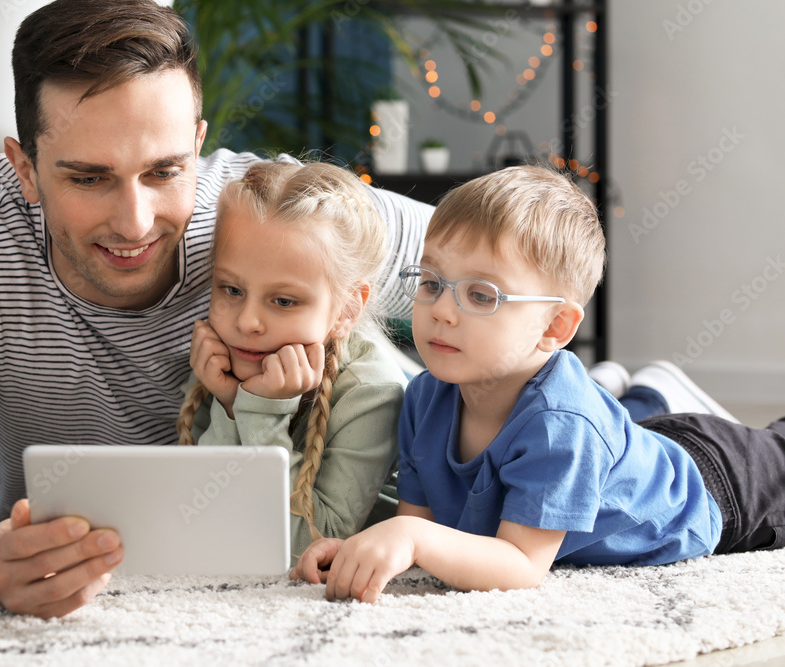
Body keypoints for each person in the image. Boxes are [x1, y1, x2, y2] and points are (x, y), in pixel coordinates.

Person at [0, 0, 431, 619]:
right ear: (25, 169)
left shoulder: (273, 219)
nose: (135, 223)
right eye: (88, 178)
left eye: (165, 171)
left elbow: (504, 258)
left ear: (198, 143)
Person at [290, 165, 785, 603]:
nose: (440, 309)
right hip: (638, 445)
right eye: (431, 282)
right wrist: (367, 547)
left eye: (481, 295)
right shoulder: (425, 396)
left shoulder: (559, 426)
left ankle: (646, 397)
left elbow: (522, 566)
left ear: (554, 329)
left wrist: (410, 537)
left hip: (724, 487)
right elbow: (428, 528)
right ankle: (643, 397)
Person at [176, 161, 406, 562]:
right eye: (230, 289)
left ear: (347, 309)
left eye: (284, 301)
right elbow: (202, 525)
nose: (247, 322)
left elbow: (307, 549)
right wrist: (230, 407)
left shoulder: (374, 394)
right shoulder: (222, 363)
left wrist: (261, 414)